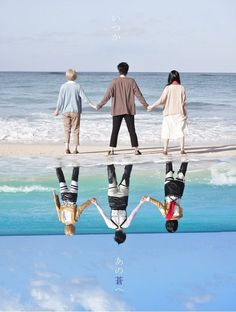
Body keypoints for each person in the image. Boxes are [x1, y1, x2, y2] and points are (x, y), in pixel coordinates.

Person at [94, 62, 149, 155]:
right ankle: (136, 149)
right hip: (129, 110)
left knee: (115, 130)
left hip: (117, 110)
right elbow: (139, 95)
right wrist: (145, 105)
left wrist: (99, 105)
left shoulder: (114, 82)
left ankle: (111, 150)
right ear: (127, 70)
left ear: (118, 70)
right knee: (132, 130)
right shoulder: (131, 81)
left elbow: (107, 96)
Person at [91, 164, 145, 244]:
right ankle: (110, 160)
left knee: (126, 176)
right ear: (115, 234)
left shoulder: (126, 225)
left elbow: (134, 213)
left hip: (123, 199)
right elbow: (102, 214)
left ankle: (130, 159)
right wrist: (96, 204)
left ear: (124, 234)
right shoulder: (110, 225)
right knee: (111, 179)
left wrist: (141, 202)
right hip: (112, 200)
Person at [147, 70, 188, 155]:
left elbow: (161, 100)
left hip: (168, 114)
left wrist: (152, 106)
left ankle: (165, 150)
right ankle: (182, 150)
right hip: (179, 113)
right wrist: (185, 113)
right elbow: (183, 103)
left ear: (170, 77)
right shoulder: (182, 88)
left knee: (166, 132)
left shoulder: (167, 88)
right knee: (181, 132)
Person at [54, 69, 92, 154]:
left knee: (66, 130)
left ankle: (66, 148)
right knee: (76, 130)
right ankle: (75, 149)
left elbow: (60, 100)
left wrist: (57, 110)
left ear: (66, 76)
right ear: (75, 77)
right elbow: (84, 98)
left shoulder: (63, 86)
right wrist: (92, 105)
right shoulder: (77, 86)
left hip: (65, 111)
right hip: (75, 111)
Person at [143, 161, 188, 233]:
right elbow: (159, 204)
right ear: (167, 224)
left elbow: (180, 208)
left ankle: (184, 157)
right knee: (169, 172)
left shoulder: (180, 215)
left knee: (182, 173)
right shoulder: (165, 215)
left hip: (179, 192)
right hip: (169, 191)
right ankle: (168, 156)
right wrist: (148, 199)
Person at [53, 166, 92, 236]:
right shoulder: (61, 220)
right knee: (61, 180)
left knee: (74, 180)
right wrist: (55, 196)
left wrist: (90, 201)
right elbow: (57, 207)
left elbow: (80, 209)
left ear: (73, 228)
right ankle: (57, 166)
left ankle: (76, 164)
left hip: (72, 198)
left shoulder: (74, 220)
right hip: (64, 197)